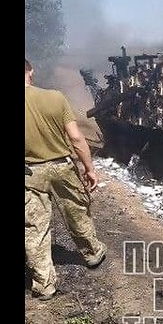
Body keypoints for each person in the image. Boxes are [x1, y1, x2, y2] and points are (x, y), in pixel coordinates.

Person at [24, 58, 107, 299]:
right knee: (77, 211)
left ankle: (44, 284)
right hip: (62, 167)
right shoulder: (55, 97)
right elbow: (77, 139)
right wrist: (89, 168)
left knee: (34, 228)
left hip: (29, 173)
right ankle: (92, 254)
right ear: (31, 71)